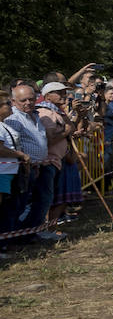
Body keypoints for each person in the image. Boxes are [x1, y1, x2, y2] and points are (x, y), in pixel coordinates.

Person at [5, 83, 61, 242]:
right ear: (13, 101)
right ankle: (17, 235)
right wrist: (27, 162)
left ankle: (31, 233)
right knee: (22, 204)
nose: (28, 103)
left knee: (43, 200)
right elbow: (13, 145)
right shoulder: (13, 119)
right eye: (23, 100)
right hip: (26, 168)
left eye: (31, 99)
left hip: (43, 165)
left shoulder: (36, 114)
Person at [37, 82, 78, 228]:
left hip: (58, 160)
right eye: (59, 93)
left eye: (64, 92)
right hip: (49, 161)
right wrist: (66, 132)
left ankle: (50, 228)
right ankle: (42, 228)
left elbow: (71, 127)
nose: (63, 95)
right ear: (47, 96)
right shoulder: (45, 113)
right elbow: (49, 139)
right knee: (46, 200)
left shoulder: (57, 111)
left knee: (54, 198)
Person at [0, 91, 32, 258]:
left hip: (10, 173)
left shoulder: (4, 124)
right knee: (4, 210)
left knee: (10, 209)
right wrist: (20, 155)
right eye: (6, 103)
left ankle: (6, 244)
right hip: (2, 175)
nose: (10, 106)